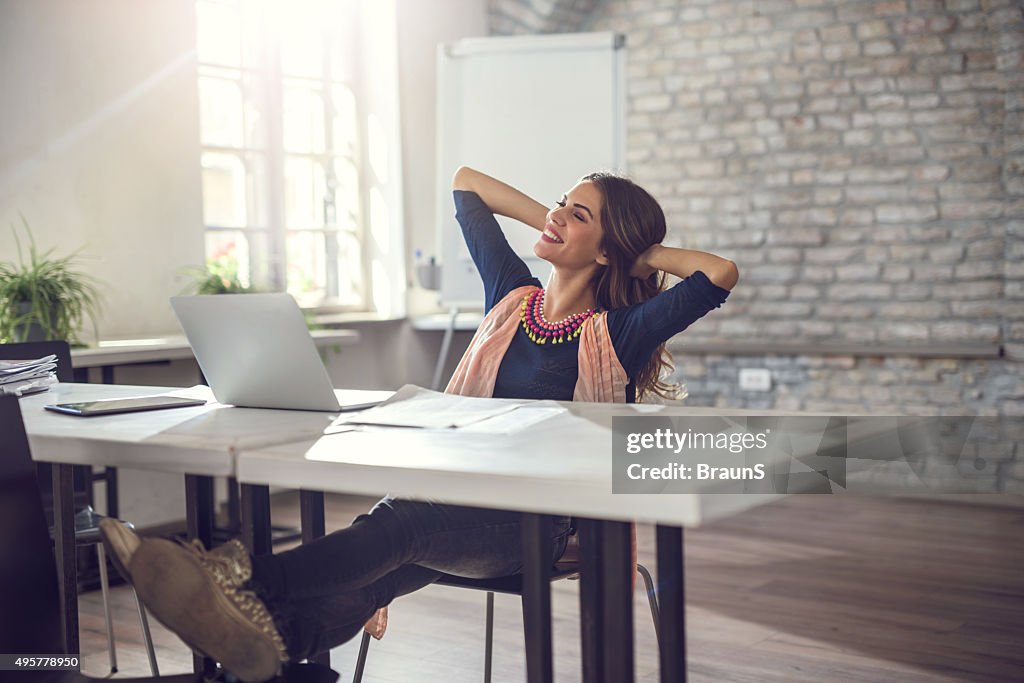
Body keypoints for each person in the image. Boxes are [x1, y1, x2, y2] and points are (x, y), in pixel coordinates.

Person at [99, 167, 738, 682]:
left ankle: (241, 583)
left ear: (608, 249)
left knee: (403, 526)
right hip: (468, 500)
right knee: (384, 558)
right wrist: (561, 216)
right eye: (560, 203)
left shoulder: (622, 332)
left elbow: (718, 273)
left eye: (579, 214)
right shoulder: (511, 299)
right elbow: (468, 183)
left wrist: (633, 253)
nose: (556, 216)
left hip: (543, 524)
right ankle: (279, 639)